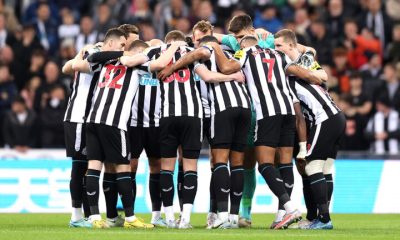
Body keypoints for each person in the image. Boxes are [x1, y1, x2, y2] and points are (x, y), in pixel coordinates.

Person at [208, 34, 324, 229]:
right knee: (285, 163)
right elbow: (304, 72)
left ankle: (289, 209)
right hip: (288, 111)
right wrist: (316, 76)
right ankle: (280, 216)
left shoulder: (244, 53)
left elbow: (228, 68)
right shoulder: (279, 54)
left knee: (264, 164)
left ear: (244, 45)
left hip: (268, 113)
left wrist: (216, 48)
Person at [157, 35, 249, 229]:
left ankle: (171, 217)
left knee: (169, 167)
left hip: (173, 113)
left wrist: (170, 64)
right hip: (200, 114)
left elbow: (206, 75)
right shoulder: (223, 54)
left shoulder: (162, 53)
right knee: (211, 165)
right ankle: (197, 218)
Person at [274, 29, 345, 229]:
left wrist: (303, 147)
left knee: (312, 167)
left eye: (279, 46)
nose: (276, 50)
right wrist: (316, 74)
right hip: (337, 116)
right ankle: (319, 217)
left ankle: (324, 219)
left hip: (325, 118)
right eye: (275, 46)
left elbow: (320, 74)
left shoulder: (289, 70)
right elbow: (321, 73)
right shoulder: (301, 62)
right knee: (325, 168)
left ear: (291, 46)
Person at [83, 28, 152, 229]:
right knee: (123, 168)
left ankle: (95, 218)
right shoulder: (135, 62)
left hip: (93, 120)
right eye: (122, 44)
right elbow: (156, 64)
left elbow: (93, 58)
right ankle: (130, 218)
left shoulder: (104, 62)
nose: (124, 48)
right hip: (115, 123)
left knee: (94, 168)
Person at [62, 42, 102, 227]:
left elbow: (67, 67)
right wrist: (84, 51)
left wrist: (83, 51)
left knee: (87, 168)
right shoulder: (92, 61)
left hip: (88, 120)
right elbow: (67, 67)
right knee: (79, 168)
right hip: (78, 119)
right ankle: (76, 216)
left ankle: (87, 215)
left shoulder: (90, 60)